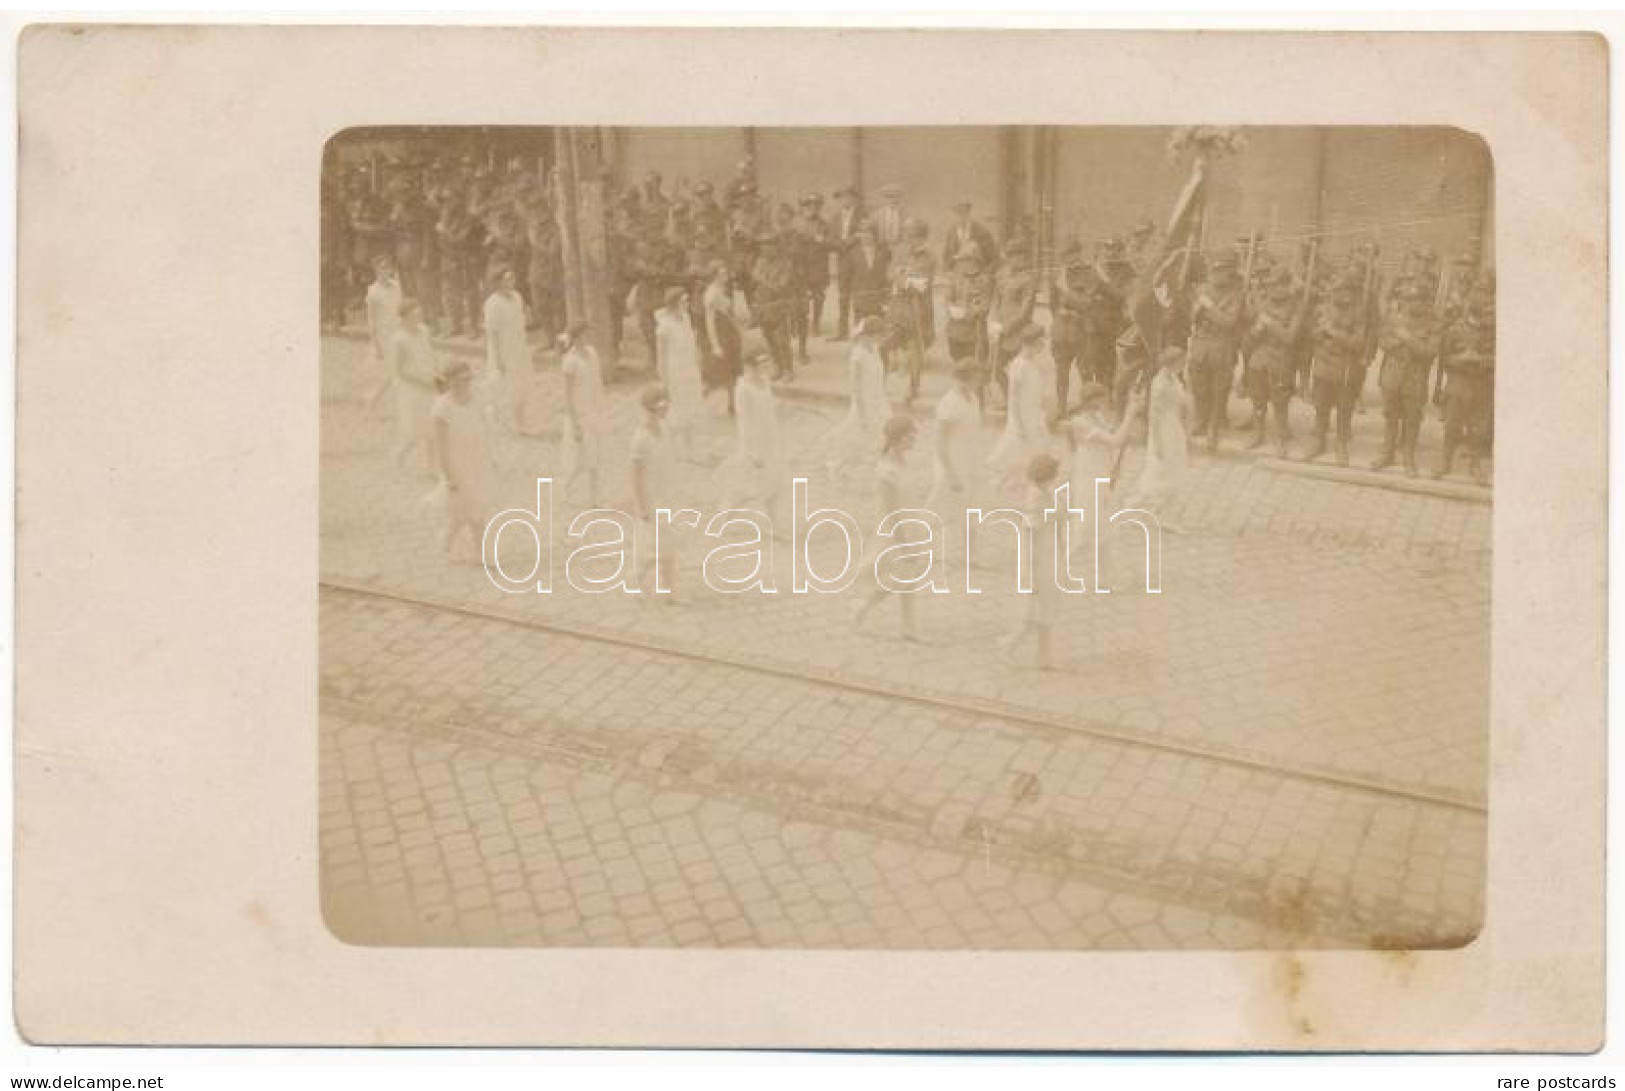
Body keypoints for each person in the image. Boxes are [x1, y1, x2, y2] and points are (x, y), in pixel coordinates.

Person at [852, 415, 925, 643]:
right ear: (896, 439)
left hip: (910, 523)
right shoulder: (885, 471)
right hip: (894, 531)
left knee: (909, 578)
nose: (914, 439)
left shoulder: (904, 462)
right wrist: (904, 544)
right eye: (909, 435)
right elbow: (892, 512)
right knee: (894, 579)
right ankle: (862, 606)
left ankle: (908, 626)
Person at [997, 453, 1064, 671]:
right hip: (1036, 565)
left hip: (1048, 559)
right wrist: (1032, 577)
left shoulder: (1046, 493)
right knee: (1030, 615)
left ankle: (1043, 656)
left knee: (1047, 611)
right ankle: (1006, 646)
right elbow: (1031, 539)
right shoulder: (1035, 499)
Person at [430, 359, 500, 559]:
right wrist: (449, 476)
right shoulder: (442, 407)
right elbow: (441, 446)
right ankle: (478, 552)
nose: (467, 383)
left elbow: (482, 430)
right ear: (450, 381)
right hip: (458, 463)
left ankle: (454, 546)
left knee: (471, 510)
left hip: (477, 459)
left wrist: (491, 457)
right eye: (462, 380)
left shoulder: (474, 399)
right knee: (467, 511)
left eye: (469, 379)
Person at [1370, 282, 1440, 478]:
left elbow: (1430, 352)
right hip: (1392, 376)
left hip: (1415, 379)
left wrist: (1407, 338)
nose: (1412, 303)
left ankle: (1408, 456)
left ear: (1425, 302)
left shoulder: (1433, 324)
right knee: (1390, 416)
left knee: (1412, 419)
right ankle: (1387, 453)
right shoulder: (1393, 319)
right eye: (1408, 299)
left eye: (1417, 299)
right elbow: (1383, 342)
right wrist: (1403, 341)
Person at [1433, 278, 1494, 483]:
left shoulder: (1493, 331)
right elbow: (1444, 358)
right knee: (1452, 425)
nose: (1475, 312)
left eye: (1481, 307)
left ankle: (1475, 466)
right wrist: (1460, 359)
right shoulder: (1455, 330)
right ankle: (1444, 461)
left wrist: (1480, 359)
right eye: (1472, 306)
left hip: (1481, 384)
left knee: (1477, 428)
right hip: (1458, 383)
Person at [1304, 272, 1369, 465]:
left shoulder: (1359, 313)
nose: (1341, 294)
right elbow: (1311, 334)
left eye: (1346, 290)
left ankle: (1341, 444)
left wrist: (1332, 331)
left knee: (1344, 408)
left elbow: (1358, 343)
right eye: (1338, 290)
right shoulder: (1322, 309)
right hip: (1323, 366)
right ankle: (1319, 440)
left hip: (1345, 369)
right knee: (1321, 406)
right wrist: (1319, 333)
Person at [1124, 346, 1192, 525]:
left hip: (1175, 428)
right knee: (1159, 475)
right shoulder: (1159, 384)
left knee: (1175, 473)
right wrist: (1158, 446)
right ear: (1172, 364)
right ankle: (1132, 507)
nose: (1184, 365)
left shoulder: (1173, 379)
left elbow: (1182, 401)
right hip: (1163, 431)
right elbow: (1153, 417)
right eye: (1181, 363)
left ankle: (1167, 516)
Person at [927, 361, 985, 569]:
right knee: (945, 509)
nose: (980, 382)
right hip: (951, 462)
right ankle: (939, 552)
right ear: (964, 378)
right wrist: (950, 474)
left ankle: (971, 554)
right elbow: (940, 443)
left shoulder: (973, 399)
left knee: (971, 508)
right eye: (977, 378)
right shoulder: (949, 403)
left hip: (969, 460)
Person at [1240, 267, 1303, 456]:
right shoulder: (1262, 306)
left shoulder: (1296, 307)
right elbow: (1248, 339)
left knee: (1280, 403)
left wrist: (1270, 324)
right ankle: (1258, 434)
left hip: (1282, 359)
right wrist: (1256, 331)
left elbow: (1290, 338)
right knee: (1258, 401)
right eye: (1271, 286)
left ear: (1286, 286)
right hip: (1259, 360)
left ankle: (1280, 438)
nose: (1274, 290)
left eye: (1278, 285)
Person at [986, 323, 1054, 499]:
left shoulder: (1031, 363)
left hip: (1033, 415)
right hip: (1022, 418)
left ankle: (1034, 486)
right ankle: (996, 483)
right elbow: (1014, 397)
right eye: (1040, 343)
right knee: (1015, 454)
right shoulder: (1019, 365)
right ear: (1031, 343)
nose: (1043, 346)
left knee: (1036, 451)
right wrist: (1018, 422)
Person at [1186, 259, 1246, 451]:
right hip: (1201, 344)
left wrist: (1208, 307)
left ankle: (1214, 426)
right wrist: (1198, 308)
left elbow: (1229, 322)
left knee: (1219, 389)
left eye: (1222, 271)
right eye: (1215, 271)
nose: (1218, 275)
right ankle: (1200, 420)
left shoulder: (1236, 295)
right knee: (1198, 386)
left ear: (1228, 273)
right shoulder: (1203, 291)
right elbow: (1191, 318)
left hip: (1222, 345)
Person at [630, 383, 682, 601]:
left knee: (668, 547)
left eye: (665, 405)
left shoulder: (665, 430)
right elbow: (636, 477)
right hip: (651, 500)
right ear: (649, 409)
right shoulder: (640, 439)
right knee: (652, 549)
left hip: (666, 494)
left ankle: (670, 591)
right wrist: (643, 507)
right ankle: (636, 578)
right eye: (659, 407)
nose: (664, 410)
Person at [718, 351, 783, 519]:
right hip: (754, 444)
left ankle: (774, 524)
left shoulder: (765, 381)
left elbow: (767, 407)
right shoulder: (742, 388)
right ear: (749, 365)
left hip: (770, 439)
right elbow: (744, 422)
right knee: (746, 487)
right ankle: (725, 514)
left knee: (773, 482)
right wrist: (752, 452)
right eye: (761, 363)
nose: (765, 366)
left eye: (766, 362)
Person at [825, 316, 892, 481]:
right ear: (867, 335)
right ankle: (837, 465)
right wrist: (862, 413)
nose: (879, 339)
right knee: (856, 436)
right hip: (865, 403)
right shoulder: (857, 356)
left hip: (878, 399)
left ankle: (879, 467)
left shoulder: (874, 348)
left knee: (885, 432)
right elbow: (855, 387)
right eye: (877, 335)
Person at [888, 218, 937, 401]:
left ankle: (913, 386)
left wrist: (902, 279)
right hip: (897, 305)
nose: (908, 240)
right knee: (888, 342)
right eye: (907, 235)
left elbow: (922, 284)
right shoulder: (900, 251)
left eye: (913, 236)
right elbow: (890, 272)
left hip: (917, 308)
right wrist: (902, 278)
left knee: (913, 347)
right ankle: (881, 383)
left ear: (922, 238)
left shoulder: (929, 256)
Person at [559, 322, 608, 507]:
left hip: (594, 411)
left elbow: (597, 382)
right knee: (578, 461)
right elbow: (567, 395)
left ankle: (595, 497)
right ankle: (565, 487)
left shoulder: (592, 353)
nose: (590, 338)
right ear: (577, 337)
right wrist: (575, 423)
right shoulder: (570, 361)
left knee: (594, 458)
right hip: (579, 415)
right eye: (586, 334)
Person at [654, 286, 705, 459]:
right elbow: (661, 356)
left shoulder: (686, 318)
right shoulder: (664, 327)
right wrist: (664, 379)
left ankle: (689, 449)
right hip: (675, 372)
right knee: (676, 411)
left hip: (689, 368)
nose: (687, 303)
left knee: (691, 409)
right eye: (684, 301)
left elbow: (691, 343)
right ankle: (667, 446)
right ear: (675, 303)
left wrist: (696, 361)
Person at [389, 299, 439, 472]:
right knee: (414, 431)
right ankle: (399, 454)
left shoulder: (424, 331)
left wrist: (436, 374)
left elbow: (430, 354)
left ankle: (431, 465)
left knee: (433, 427)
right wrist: (422, 382)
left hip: (429, 384)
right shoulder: (399, 339)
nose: (418, 317)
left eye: (419, 314)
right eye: (414, 315)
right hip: (412, 388)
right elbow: (400, 371)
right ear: (404, 317)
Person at [481, 266, 529, 434]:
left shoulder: (517, 297)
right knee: (501, 386)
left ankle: (520, 422)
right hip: (503, 348)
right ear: (499, 282)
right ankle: (495, 416)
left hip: (519, 347)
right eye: (507, 279)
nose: (511, 282)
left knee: (520, 385)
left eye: (512, 278)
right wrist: (498, 357)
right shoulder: (492, 303)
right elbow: (492, 333)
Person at [703, 261, 745, 415]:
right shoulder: (711, 293)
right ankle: (698, 399)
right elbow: (710, 321)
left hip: (729, 333)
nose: (725, 276)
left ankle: (733, 405)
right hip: (720, 335)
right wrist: (715, 345)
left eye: (726, 273)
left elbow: (729, 314)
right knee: (720, 373)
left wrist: (738, 330)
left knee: (734, 371)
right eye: (721, 274)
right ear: (714, 276)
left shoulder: (723, 289)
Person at [944, 243, 991, 369]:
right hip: (955, 329)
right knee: (957, 360)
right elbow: (948, 298)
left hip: (975, 331)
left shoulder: (984, 281)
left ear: (975, 261)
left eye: (964, 260)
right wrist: (950, 309)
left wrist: (970, 313)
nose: (961, 264)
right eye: (960, 261)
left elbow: (985, 305)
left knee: (975, 365)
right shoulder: (955, 279)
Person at [831, 185, 867, 339]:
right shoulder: (835, 217)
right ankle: (842, 331)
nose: (845, 200)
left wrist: (848, 242)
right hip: (842, 260)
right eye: (842, 197)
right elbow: (832, 237)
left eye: (848, 197)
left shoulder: (862, 215)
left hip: (857, 258)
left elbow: (863, 233)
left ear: (854, 199)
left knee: (859, 294)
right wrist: (839, 244)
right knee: (843, 295)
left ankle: (859, 330)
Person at [941, 199, 997, 269]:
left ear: (969, 213)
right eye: (958, 213)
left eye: (964, 213)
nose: (961, 217)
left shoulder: (982, 232)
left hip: (977, 272)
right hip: (957, 273)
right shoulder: (951, 233)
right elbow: (946, 257)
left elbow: (992, 257)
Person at [873, 183, 907, 249]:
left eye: (896, 197)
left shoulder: (904, 214)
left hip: (898, 246)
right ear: (885, 199)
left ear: (899, 198)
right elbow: (872, 230)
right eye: (889, 197)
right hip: (881, 246)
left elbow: (906, 232)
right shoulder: (878, 214)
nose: (892, 200)